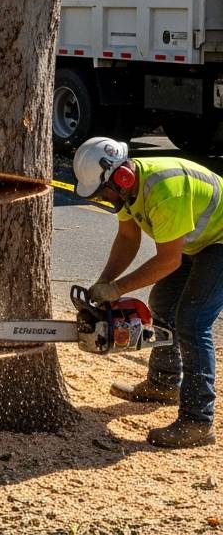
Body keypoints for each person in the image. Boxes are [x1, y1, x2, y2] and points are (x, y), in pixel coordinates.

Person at [73, 136, 223, 449]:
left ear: (121, 177)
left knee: (193, 321)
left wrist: (117, 288)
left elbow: (169, 260)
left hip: (218, 243)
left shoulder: (164, 190)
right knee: (163, 302)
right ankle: (164, 382)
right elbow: (128, 239)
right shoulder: (128, 191)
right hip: (199, 241)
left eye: (103, 192)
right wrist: (104, 282)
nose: (103, 198)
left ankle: (198, 421)